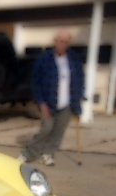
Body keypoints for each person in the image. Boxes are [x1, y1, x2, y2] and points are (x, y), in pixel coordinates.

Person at [19, 30, 85, 166]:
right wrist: (41, 103)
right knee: (46, 129)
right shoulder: (44, 59)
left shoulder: (73, 59)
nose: (63, 44)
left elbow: (80, 79)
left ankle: (48, 154)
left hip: (68, 103)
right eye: (60, 41)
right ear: (55, 42)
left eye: (66, 42)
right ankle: (28, 153)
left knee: (58, 131)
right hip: (48, 102)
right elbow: (36, 82)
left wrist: (79, 99)